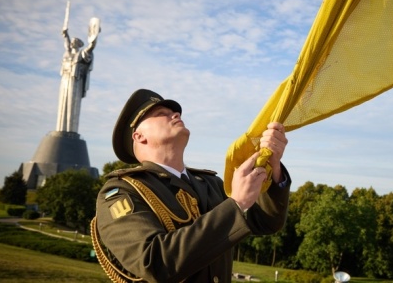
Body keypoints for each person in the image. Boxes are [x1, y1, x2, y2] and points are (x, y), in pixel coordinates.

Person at [91, 89, 290, 283]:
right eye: (162, 114)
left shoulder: (210, 183)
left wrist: (273, 167)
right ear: (139, 136)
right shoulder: (122, 191)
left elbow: (266, 222)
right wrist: (236, 204)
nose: (176, 114)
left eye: (175, 112)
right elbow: (154, 262)